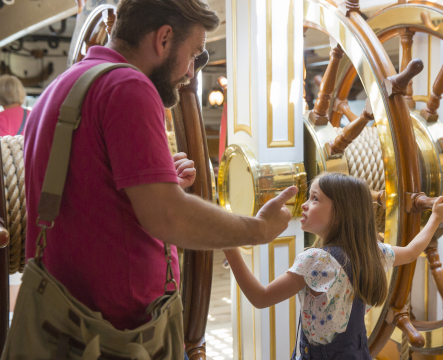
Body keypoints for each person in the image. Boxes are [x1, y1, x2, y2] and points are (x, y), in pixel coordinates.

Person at [23, 0, 297, 334]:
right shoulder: (128, 87)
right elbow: (169, 217)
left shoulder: (60, 89)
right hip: (117, 335)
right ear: (164, 39)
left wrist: (157, 181)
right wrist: (258, 230)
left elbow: (84, 194)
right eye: (194, 53)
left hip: (63, 323)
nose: (191, 71)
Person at [224, 172, 443, 359]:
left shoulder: (315, 260)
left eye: (315, 199)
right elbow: (413, 252)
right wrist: (435, 218)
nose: (304, 205)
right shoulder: (372, 252)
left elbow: (261, 297)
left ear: (341, 213)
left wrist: (229, 245)